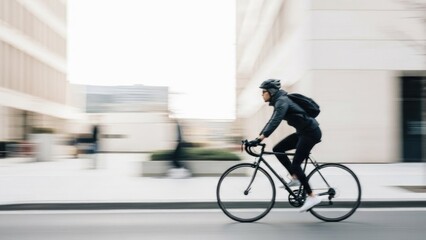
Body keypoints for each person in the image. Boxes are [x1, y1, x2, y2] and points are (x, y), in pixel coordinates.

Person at [248, 79, 322, 212]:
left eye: (263, 91)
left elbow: (275, 121)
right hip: (302, 132)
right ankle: (295, 178)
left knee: (295, 164)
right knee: (278, 149)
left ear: (271, 92)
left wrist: (260, 138)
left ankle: (312, 196)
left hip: (311, 133)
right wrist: (259, 137)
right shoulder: (280, 101)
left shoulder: (282, 102)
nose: (262, 94)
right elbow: (272, 120)